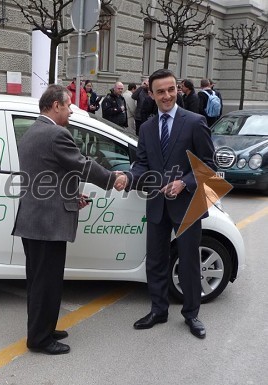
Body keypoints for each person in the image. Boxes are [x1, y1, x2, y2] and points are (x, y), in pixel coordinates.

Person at [12, 84, 124, 355]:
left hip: (37, 221)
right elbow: (81, 164)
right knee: (44, 284)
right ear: (55, 106)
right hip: (45, 225)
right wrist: (112, 178)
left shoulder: (33, 131)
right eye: (68, 105)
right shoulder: (55, 133)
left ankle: (45, 329)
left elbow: (46, 176)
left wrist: (71, 196)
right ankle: (39, 339)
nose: (71, 110)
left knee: (43, 282)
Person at [118, 69, 215, 339]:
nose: (167, 95)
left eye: (171, 89)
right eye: (160, 91)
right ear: (151, 94)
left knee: (188, 264)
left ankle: (191, 315)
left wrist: (184, 182)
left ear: (178, 89)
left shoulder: (195, 122)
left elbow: (210, 165)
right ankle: (158, 310)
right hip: (157, 205)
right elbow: (143, 165)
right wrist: (128, 176)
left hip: (187, 205)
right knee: (157, 262)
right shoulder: (147, 127)